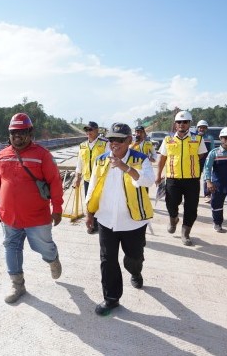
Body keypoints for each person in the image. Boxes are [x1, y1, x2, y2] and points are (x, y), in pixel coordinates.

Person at [0, 112, 64, 304]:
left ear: (30, 133)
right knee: (11, 247)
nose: (17, 136)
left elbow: (55, 182)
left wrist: (57, 208)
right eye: (14, 132)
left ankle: (52, 258)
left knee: (41, 246)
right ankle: (18, 286)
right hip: (9, 216)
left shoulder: (42, 156)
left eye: (21, 132)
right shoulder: (1, 156)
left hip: (36, 217)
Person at [85, 122, 154, 316]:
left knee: (133, 258)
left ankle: (136, 271)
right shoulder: (100, 160)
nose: (114, 143)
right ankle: (111, 299)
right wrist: (89, 212)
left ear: (129, 140)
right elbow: (92, 186)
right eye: (111, 139)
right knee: (107, 260)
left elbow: (148, 180)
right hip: (106, 220)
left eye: (119, 140)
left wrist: (126, 168)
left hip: (133, 221)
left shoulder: (140, 159)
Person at [155, 111, 207, 246]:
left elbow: (201, 156)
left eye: (185, 122)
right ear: (175, 124)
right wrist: (158, 174)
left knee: (191, 208)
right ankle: (173, 219)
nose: (182, 124)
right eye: (179, 122)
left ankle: (185, 233)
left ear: (189, 124)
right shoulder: (168, 140)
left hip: (192, 180)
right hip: (173, 178)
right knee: (171, 204)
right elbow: (162, 158)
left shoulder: (198, 139)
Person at [73, 121, 109, 234]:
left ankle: (101, 224)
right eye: (86, 130)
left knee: (101, 202)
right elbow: (80, 163)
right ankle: (92, 224)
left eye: (91, 130)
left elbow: (110, 160)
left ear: (97, 130)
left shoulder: (105, 144)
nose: (88, 132)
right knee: (89, 202)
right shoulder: (83, 145)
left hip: (101, 179)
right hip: (88, 179)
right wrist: (77, 177)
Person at [196, 120, 215, 202]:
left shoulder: (210, 138)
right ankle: (194, 193)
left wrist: (213, 160)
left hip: (206, 161)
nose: (202, 129)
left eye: (204, 128)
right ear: (197, 128)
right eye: (200, 127)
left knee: (206, 178)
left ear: (206, 129)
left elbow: (213, 150)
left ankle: (207, 195)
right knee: (196, 178)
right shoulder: (194, 137)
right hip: (196, 161)